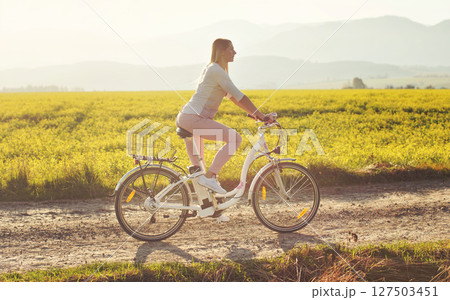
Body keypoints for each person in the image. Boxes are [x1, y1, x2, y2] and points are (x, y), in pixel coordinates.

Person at [176, 38, 274, 197]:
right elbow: (240, 96)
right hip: (193, 119)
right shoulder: (216, 71)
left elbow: (232, 97)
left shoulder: (213, 69)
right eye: (231, 49)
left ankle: (212, 208)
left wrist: (254, 114)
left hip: (188, 118)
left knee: (200, 175)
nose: (235, 52)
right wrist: (261, 115)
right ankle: (212, 176)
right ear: (222, 52)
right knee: (235, 139)